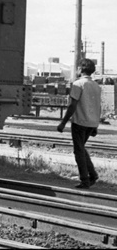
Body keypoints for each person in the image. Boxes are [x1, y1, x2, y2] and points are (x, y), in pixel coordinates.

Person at [57, 58, 102, 188]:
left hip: (79, 122)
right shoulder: (96, 86)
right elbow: (98, 106)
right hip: (91, 122)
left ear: (81, 69)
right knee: (81, 148)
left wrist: (63, 123)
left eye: (77, 68)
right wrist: (95, 125)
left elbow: (72, 105)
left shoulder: (79, 84)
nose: (76, 70)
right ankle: (92, 175)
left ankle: (85, 180)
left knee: (78, 151)